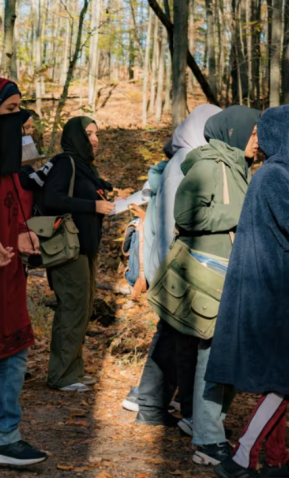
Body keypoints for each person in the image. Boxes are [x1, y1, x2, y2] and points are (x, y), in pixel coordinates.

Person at [206, 105, 289, 478]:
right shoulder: (275, 176)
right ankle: (241, 457)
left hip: (285, 298)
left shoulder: (280, 175)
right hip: (277, 302)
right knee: (285, 382)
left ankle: (276, 461)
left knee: (281, 380)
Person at [173, 105, 259, 467]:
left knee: (230, 358)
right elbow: (185, 216)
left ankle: (207, 424)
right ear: (234, 133)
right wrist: (240, 215)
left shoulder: (241, 168)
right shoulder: (210, 165)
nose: (258, 141)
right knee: (214, 357)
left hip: (234, 277)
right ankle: (207, 437)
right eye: (254, 133)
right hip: (212, 276)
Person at [126, 104, 221, 428]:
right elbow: (172, 221)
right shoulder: (185, 162)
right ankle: (162, 406)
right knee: (177, 338)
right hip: (175, 265)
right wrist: (178, 269)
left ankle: (151, 404)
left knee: (170, 335)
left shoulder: (189, 158)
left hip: (175, 264)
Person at [41, 116, 115, 392]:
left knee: (82, 310)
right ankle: (61, 376)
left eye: (96, 133)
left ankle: (74, 369)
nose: (94, 139)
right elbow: (52, 198)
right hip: (68, 250)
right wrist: (93, 206)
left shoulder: (86, 168)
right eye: (88, 133)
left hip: (86, 248)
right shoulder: (65, 162)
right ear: (74, 136)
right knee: (71, 308)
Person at [0, 78, 47, 466]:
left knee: (14, 355)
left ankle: (6, 435)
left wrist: (24, 232)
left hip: (9, 282)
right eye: (11, 111)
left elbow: (15, 209)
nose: (20, 120)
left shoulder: (10, 167)